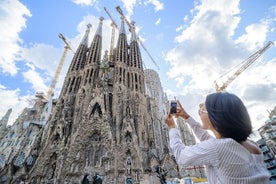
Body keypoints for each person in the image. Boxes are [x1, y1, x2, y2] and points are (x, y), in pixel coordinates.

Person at [165, 92, 270, 183]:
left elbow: (180, 156)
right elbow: (208, 139)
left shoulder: (218, 148)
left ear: (216, 116)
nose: (199, 112)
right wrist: (187, 117)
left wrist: (172, 127)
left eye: (203, 109)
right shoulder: (250, 144)